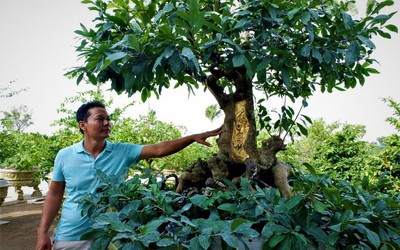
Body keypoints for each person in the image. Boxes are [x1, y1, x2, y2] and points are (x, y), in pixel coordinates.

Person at [35, 100, 222, 250]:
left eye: (108, 119)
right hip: (71, 237)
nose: (107, 123)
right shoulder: (65, 155)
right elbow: (54, 194)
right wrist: (42, 233)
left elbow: (158, 149)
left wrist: (191, 138)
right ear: (83, 124)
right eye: (100, 119)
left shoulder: (122, 151)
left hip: (112, 236)